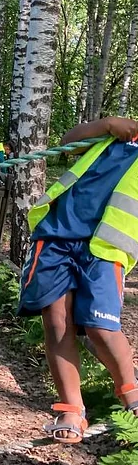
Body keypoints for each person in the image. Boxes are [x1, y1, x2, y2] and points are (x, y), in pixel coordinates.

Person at [18, 117, 138, 443]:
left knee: (102, 328)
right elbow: (68, 139)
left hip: (106, 247)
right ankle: (71, 408)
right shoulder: (119, 134)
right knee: (56, 322)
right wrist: (108, 124)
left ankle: (131, 396)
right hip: (57, 235)